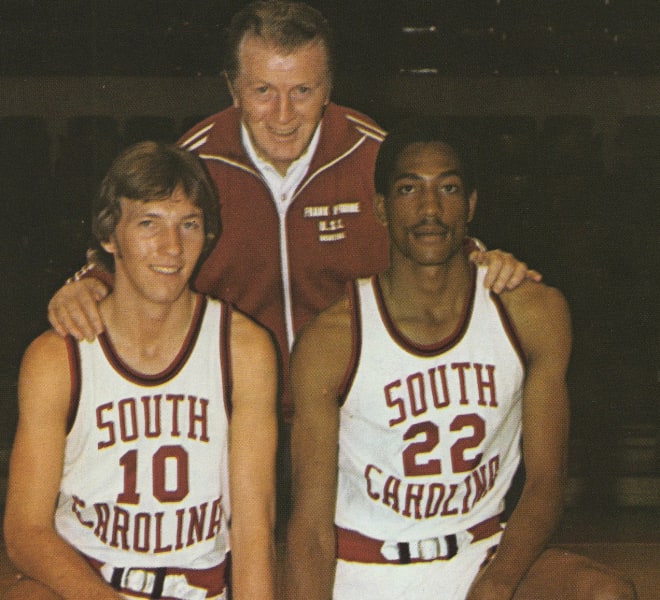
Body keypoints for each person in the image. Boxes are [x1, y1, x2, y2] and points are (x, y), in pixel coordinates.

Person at [46, 1, 538, 423]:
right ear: (233, 88)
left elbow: (440, 238)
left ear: (328, 88)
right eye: (263, 91)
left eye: (302, 91)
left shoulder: (377, 159)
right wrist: (90, 283)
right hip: (230, 415)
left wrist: (488, 261)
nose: (283, 116)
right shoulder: (192, 163)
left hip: (357, 417)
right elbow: (134, 246)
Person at [285, 119, 637, 599]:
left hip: (479, 558)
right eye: (409, 189)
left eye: (448, 188)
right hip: (367, 566)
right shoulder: (332, 339)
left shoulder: (533, 313)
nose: (430, 208)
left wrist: (495, 585)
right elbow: (308, 527)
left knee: (604, 593)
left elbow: (546, 487)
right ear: (382, 209)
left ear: (470, 204)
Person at [3, 142, 277, 600]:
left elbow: (253, 529)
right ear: (110, 236)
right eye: (149, 223)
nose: (172, 248)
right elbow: (25, 531)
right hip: (92, 587)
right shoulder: (57, 359)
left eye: (188, 224)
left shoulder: (243, 348)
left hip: (198, 588)